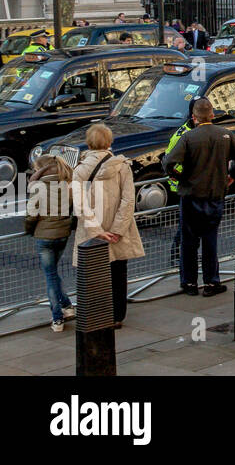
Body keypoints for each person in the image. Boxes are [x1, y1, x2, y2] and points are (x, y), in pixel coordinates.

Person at [164, 97, 235, 295]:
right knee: (210, 240)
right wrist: (231, 177)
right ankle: (212, 282)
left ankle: (189, 283)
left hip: (191, 195)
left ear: (194, 118)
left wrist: (181, 176)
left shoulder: (188, 137)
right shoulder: (225, 135)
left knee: (189, 241)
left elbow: (168, 163)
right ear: (212, 115)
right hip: (215, 194)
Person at [72, 124, 145, 327]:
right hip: (117, 229)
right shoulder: (122, 166)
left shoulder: (79, 170)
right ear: (110, 142)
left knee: (92, 273)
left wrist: (97, 231)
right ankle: (117, 315)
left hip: (91, 231)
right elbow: (128, 200)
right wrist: (117, 230)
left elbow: (80, 205)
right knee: (118, 272)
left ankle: (96, 313)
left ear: (88, 143)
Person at [25, 154, 75, 331]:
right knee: (52, 273)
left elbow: (32, 215)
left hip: (44, 236)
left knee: (50, 276)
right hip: (63, 234)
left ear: (41, 169)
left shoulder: (39, 187)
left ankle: (57, 318)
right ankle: (68, 306)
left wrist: (29, 229)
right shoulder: (67, 183)